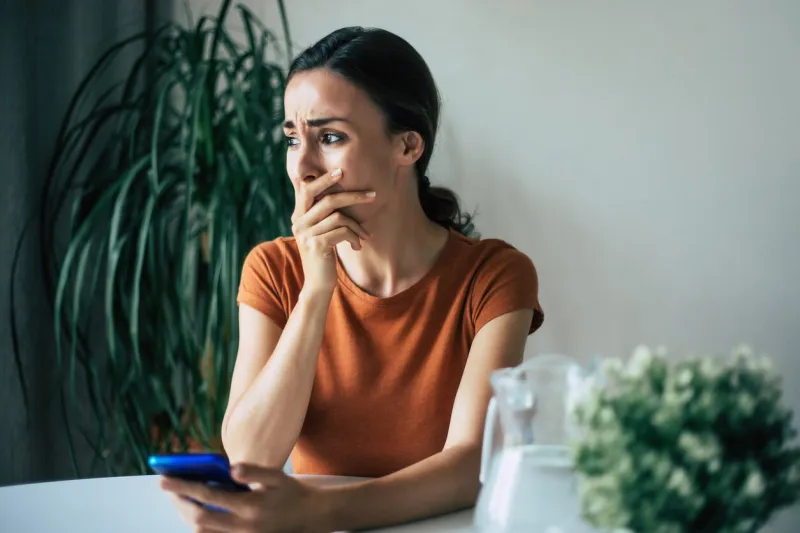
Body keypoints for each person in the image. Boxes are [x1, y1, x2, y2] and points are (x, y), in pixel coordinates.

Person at [160, 26, 544, 532]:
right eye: (293, 139)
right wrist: (317, 289)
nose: (302, 166)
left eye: (331, 137)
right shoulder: (274, 269)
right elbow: (251, 455)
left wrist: (319, 511)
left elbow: (471, 464)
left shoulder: (493, 276)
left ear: (407, 146)